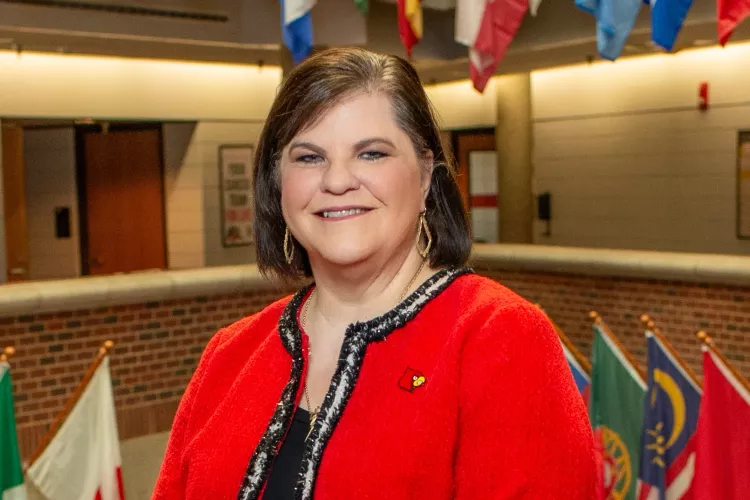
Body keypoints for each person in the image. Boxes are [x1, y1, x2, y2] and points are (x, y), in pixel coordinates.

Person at [152, 47, 595, 500]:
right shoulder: (229, 355)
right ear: (277, 185)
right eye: (309, 157)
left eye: (371, 153)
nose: (338, 180)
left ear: (425, 176)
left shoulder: (499, 337)